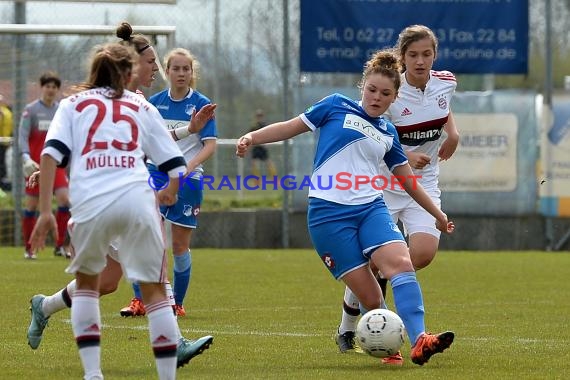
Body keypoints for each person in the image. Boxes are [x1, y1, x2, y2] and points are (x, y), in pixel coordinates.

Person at [236, 49, 455, 366]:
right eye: (372, 89)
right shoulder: (335, 105)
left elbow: (408, 181)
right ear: (362, 86)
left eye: (385, 93)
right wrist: (251, 137)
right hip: (328, 217)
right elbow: (290, 126)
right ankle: (386, 348)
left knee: (401, 264)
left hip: (370, 208)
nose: (377, 97)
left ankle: (421, 339)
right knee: (371, 298)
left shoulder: (388, 132)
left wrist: (437, 214)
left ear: (394, 98)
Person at [26, 22, 214, 369]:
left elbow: (157, 139)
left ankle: (46, 306)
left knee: (108, 282)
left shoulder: (126, 102)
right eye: (151, 63)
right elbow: (159, 145)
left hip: (110, 195)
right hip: (127, 193)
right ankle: (175, 344)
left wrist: (191, 131)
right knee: (152, 277)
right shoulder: (129, 102)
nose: (156, 70)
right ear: (130, 65)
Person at [334, 25, 460, 365]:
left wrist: (453, 133)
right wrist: (403, 153)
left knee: (422, 254)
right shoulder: (393, 90)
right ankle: (351, 326)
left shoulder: (446, 81)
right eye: (413, 55)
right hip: (385, 184)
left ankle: (374, 305)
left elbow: (442, 109)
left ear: (435, 55)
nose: (420, 61)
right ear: (402, 58)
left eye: (426, 54)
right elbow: (372, 130)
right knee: (379, 263)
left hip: (426, 181)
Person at [120, 47, 217, 318]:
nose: (181, 73)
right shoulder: (155, 102)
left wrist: (189, 166)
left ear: (192, 72)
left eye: (186, 68)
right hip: (156, 174)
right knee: (143, 236)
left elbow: (210, 145)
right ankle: (140, 299)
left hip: (189, 180)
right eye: (176, 68)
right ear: (167, 71)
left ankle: (177, 304)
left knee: (178, 246)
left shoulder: (201, 103)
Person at [18, 71, 71, 259]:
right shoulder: (31, 110)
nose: (51, 90)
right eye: (47, 86)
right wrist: (25, 157)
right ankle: (29, 247)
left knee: (65, 199)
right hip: (35, 165)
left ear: (57, 90)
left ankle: (60, 245)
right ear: (42, 88)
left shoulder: (61, 111)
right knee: (31, 205)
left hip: (56, 165)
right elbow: (22, 137)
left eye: (54, 87)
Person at [249, 109, 277, 184]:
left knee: (269, 163)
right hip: (256, 148)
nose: (259, 118)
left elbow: (268, 135)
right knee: (254, 164)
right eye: (258, 116)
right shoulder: (254, 126)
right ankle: (257, 180)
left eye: (260, 116)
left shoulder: (264, 126)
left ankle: (275, 179)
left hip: (262, 147)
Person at [0, 94, 13, 187]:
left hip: (2, 140)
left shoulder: (3, 112)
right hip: (6, 140)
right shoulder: (8, 111)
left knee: (2, 163)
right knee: (3, 163)